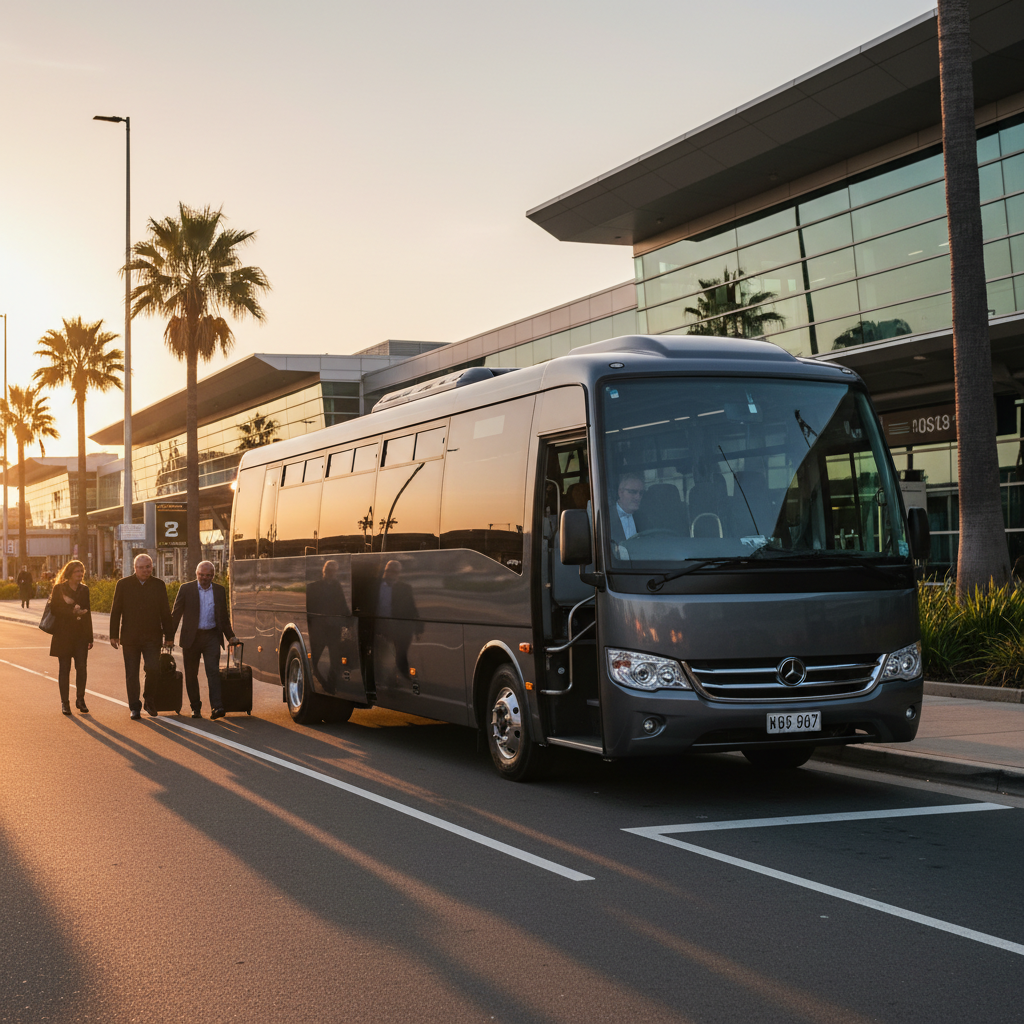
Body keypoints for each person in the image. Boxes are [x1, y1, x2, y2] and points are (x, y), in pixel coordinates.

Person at [109, 554, 173, 721]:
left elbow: (165, 612)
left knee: (153, 668)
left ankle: (149, 700)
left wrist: (169, 636)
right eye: (143, 567)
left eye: (149, 567)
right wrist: (114, 635)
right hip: (130, 637)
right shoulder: (123, 585)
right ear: (135, 568)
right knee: (131, 673)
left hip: (152, 637)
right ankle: (134, 707)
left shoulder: (158, 585)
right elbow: (116, 611)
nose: (146, 570)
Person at [170, 560, 237, 720]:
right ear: (196, 574)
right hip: (191, 638)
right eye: (201, 575)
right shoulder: (186, 589)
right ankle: (195, 707)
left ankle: (217, 706)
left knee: (213, 672)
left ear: (213, 576)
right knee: (191, 674)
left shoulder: (219, 591)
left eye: (208, 575)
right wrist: (168, 637)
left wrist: (231, 636)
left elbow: (223, 617)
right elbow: (176, 614)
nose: (204, 578)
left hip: (211, 636)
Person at [48, 559, 93, 715]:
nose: (80, 574)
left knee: (81, 668)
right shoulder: (59, 589)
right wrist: (72, 611)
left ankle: (80, 700)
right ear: (69, 573)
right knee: (64, 669)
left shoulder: (84, 589)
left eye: (82, 571)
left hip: (80, 635)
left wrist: (90, 637)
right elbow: (54, 610)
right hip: (63, 635)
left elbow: (88, 612)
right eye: (77, 572)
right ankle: (65, 703)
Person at [306, 560, 350, 693]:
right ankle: (320, 682)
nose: (331, 573)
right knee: (313, 662)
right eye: (328, 570)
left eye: (333, 571)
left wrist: (349, 620)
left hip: (333, 629)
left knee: (335, 661)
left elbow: (343, 605)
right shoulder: (313, 587)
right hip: (318, 630)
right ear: (323, 571)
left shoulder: (337, 586)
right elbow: (309, 609)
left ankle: (331, 686)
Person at [374, 559, 422, 680]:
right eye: (388, 571)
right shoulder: (376, 586)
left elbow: (412, 608)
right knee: (380, 653)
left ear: (398, 573)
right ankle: (379, 675)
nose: (390, 574)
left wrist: (418, 628)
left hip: (400, 626)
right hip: (381, 625)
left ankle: (402, 674)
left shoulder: (405, 588)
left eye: (394, 571)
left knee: (401, 652)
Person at [610, 473, 645, 543]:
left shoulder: (644, 517)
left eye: (641, 493)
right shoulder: (606, 517)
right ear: (621, 492)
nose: (638, 497)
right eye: (633, 492)